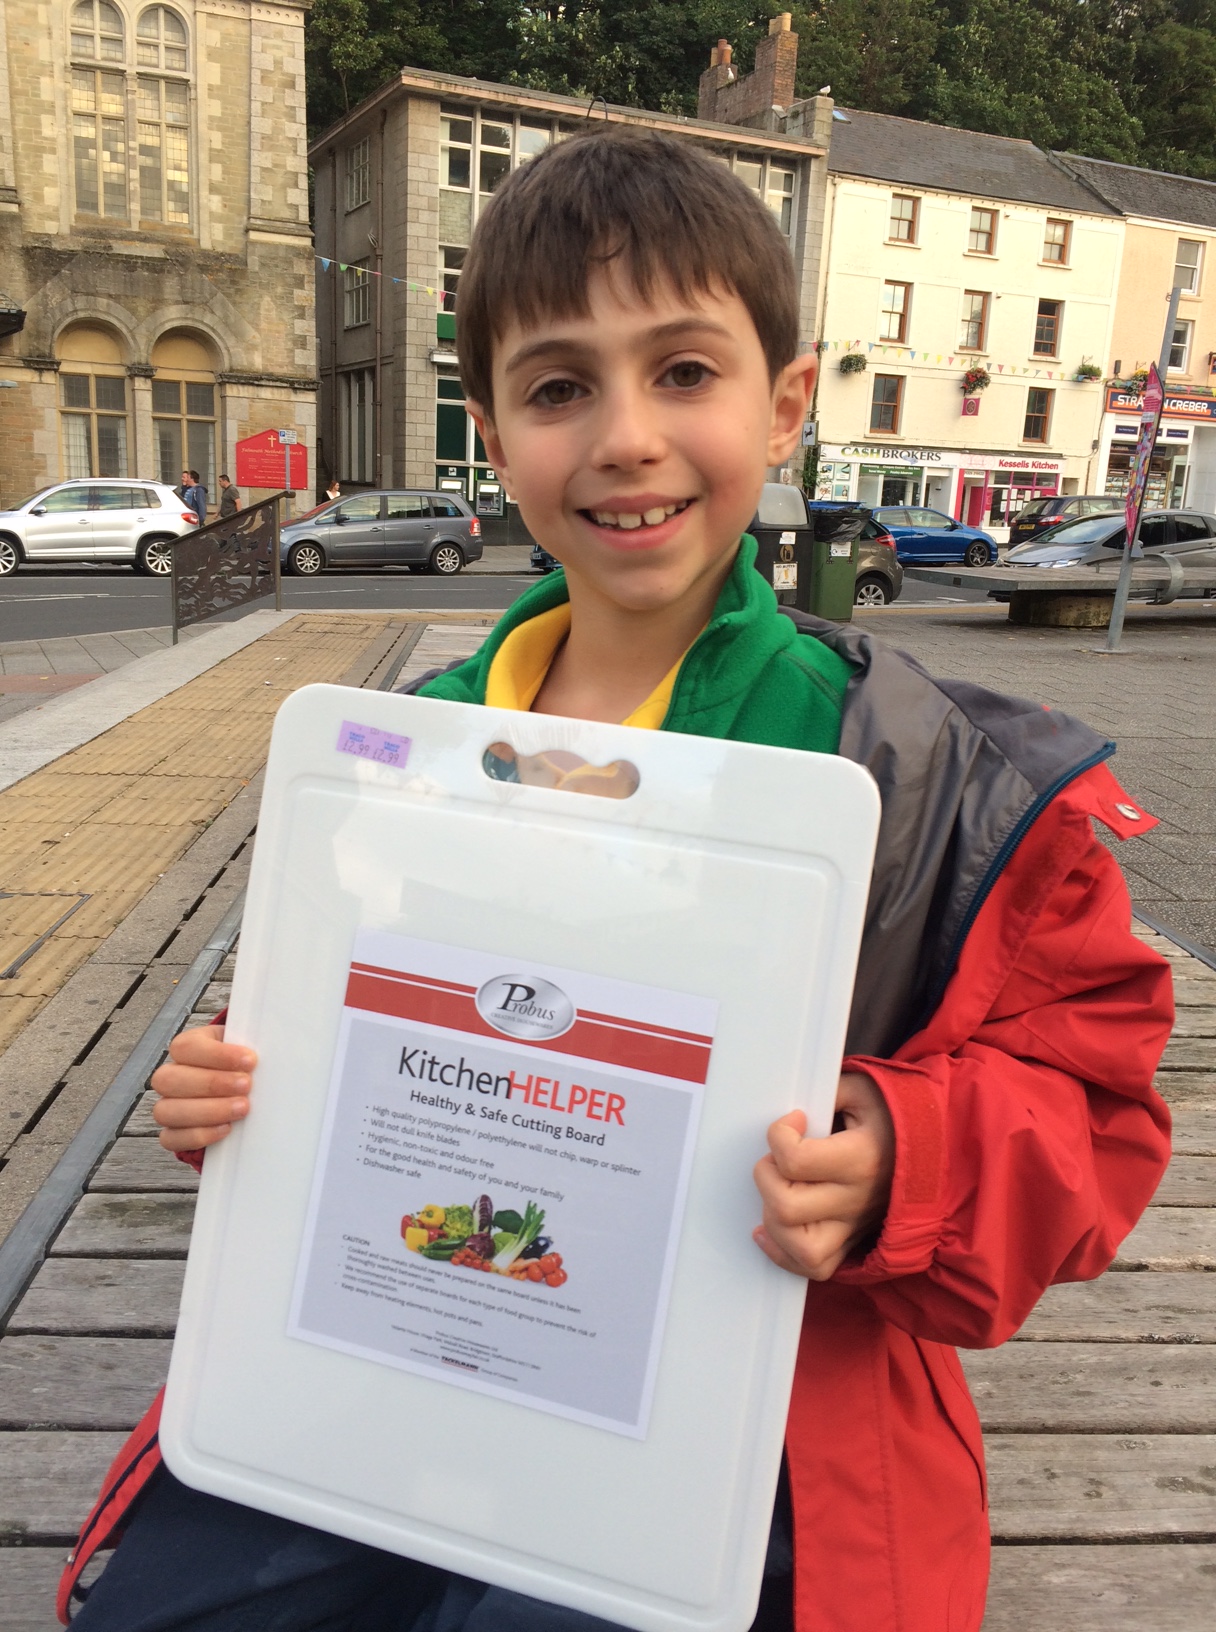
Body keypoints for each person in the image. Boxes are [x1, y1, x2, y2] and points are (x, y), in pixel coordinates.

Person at [59, 128, 1173, 1632]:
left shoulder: (937, 778)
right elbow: (349, 1061)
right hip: (404, 1348)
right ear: (497, 431)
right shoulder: (406, 751)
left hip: (757, 1422)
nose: (627, 438)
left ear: (785, 404)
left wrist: (908, 1158)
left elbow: (1094, 1111)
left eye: (686, 373)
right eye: (561, 387)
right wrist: (241, 1101)